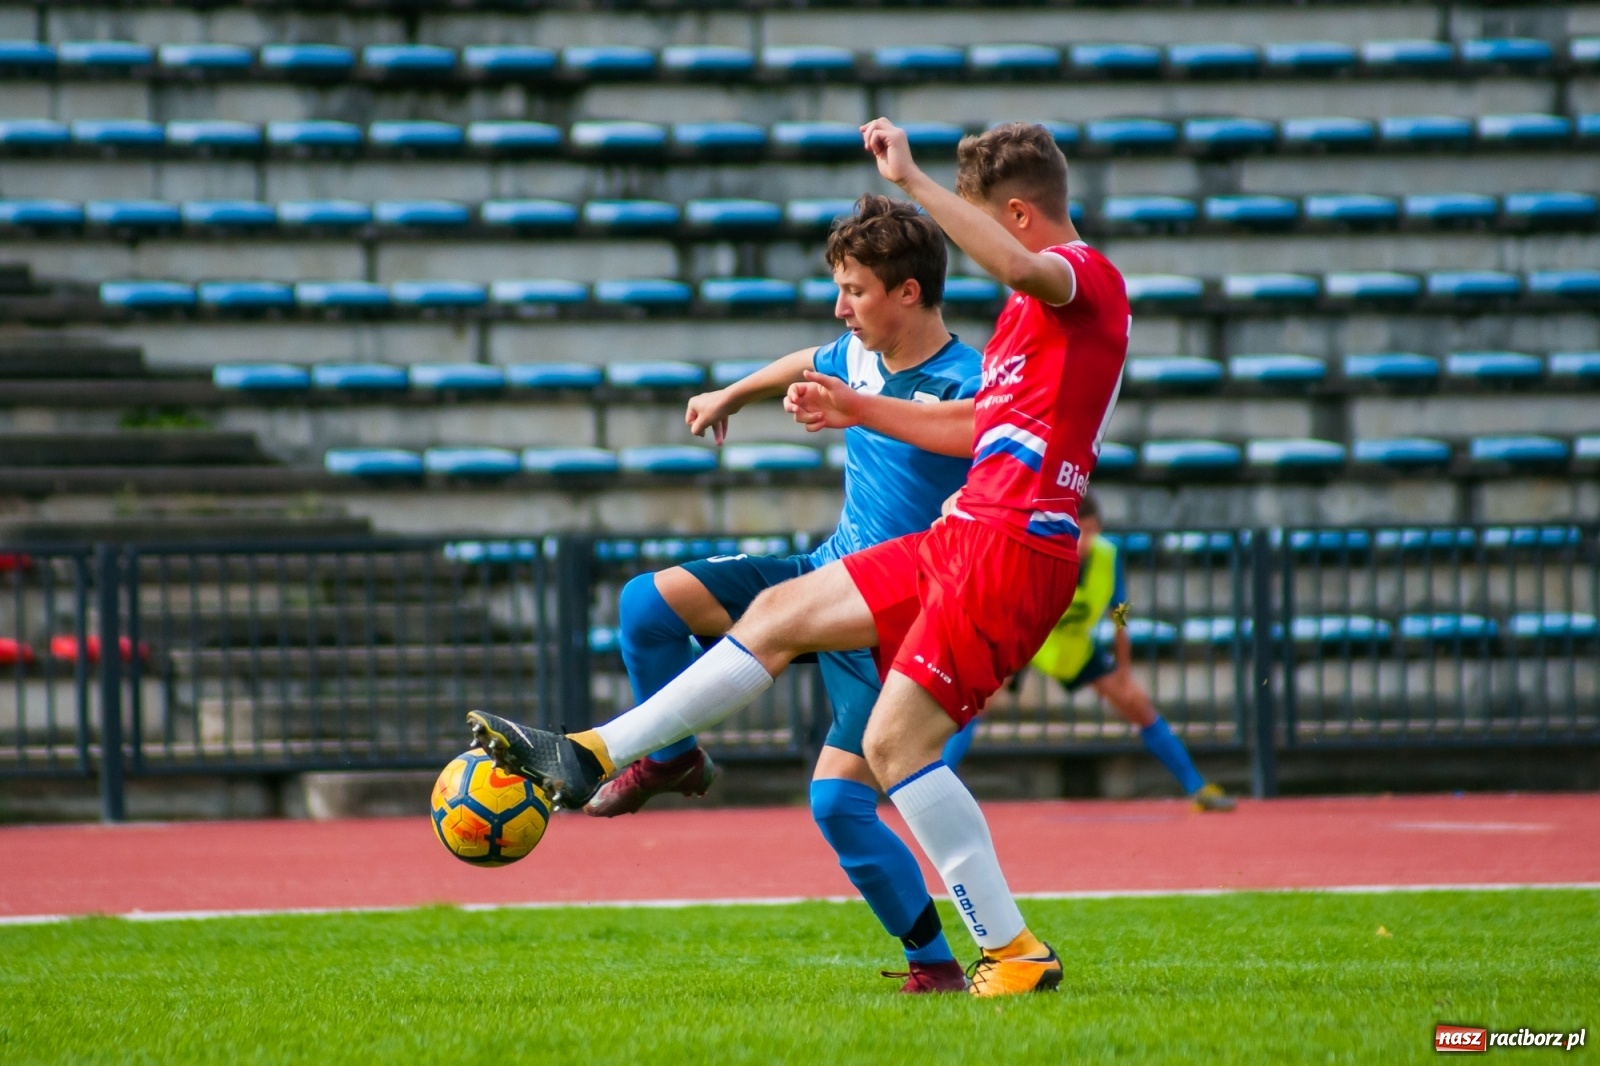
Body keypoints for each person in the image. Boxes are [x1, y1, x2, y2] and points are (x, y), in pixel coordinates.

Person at [467, 118, 1128, 998]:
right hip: (968, 535)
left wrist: (913, 182)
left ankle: (1008, 953)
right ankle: (591, 751)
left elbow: (1014, 274)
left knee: (886, 754)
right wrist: (855, 407)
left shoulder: (1085, 277)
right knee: (790, 632)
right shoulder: (1025, 322)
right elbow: (976, 427)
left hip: (1010, 544)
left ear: (1012, 215)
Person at [584, 193, 984, 992]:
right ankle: (673, 757)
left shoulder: (968, 381)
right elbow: (808, 358)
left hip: (894, 621)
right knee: (646, 605)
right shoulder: (855, 354)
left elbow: (994, 445)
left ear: (908, 292)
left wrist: (964, 507)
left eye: (855, 291)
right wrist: (730, 394)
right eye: (839, 289)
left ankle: (935, 965)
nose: (841, 308)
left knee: (838, 806)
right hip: (824, 576)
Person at [941, 495, 1236, 811]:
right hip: (1027, 639)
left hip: (1074, 646)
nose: (1086, 540)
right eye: (1081, 531)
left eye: (1093, 531)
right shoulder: (1039, 551)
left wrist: (1123, 668)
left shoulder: (1107, 556)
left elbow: (1119, 612)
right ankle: (940, 788)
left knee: (1137, 703)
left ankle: (1197, 788)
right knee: (977, 705)